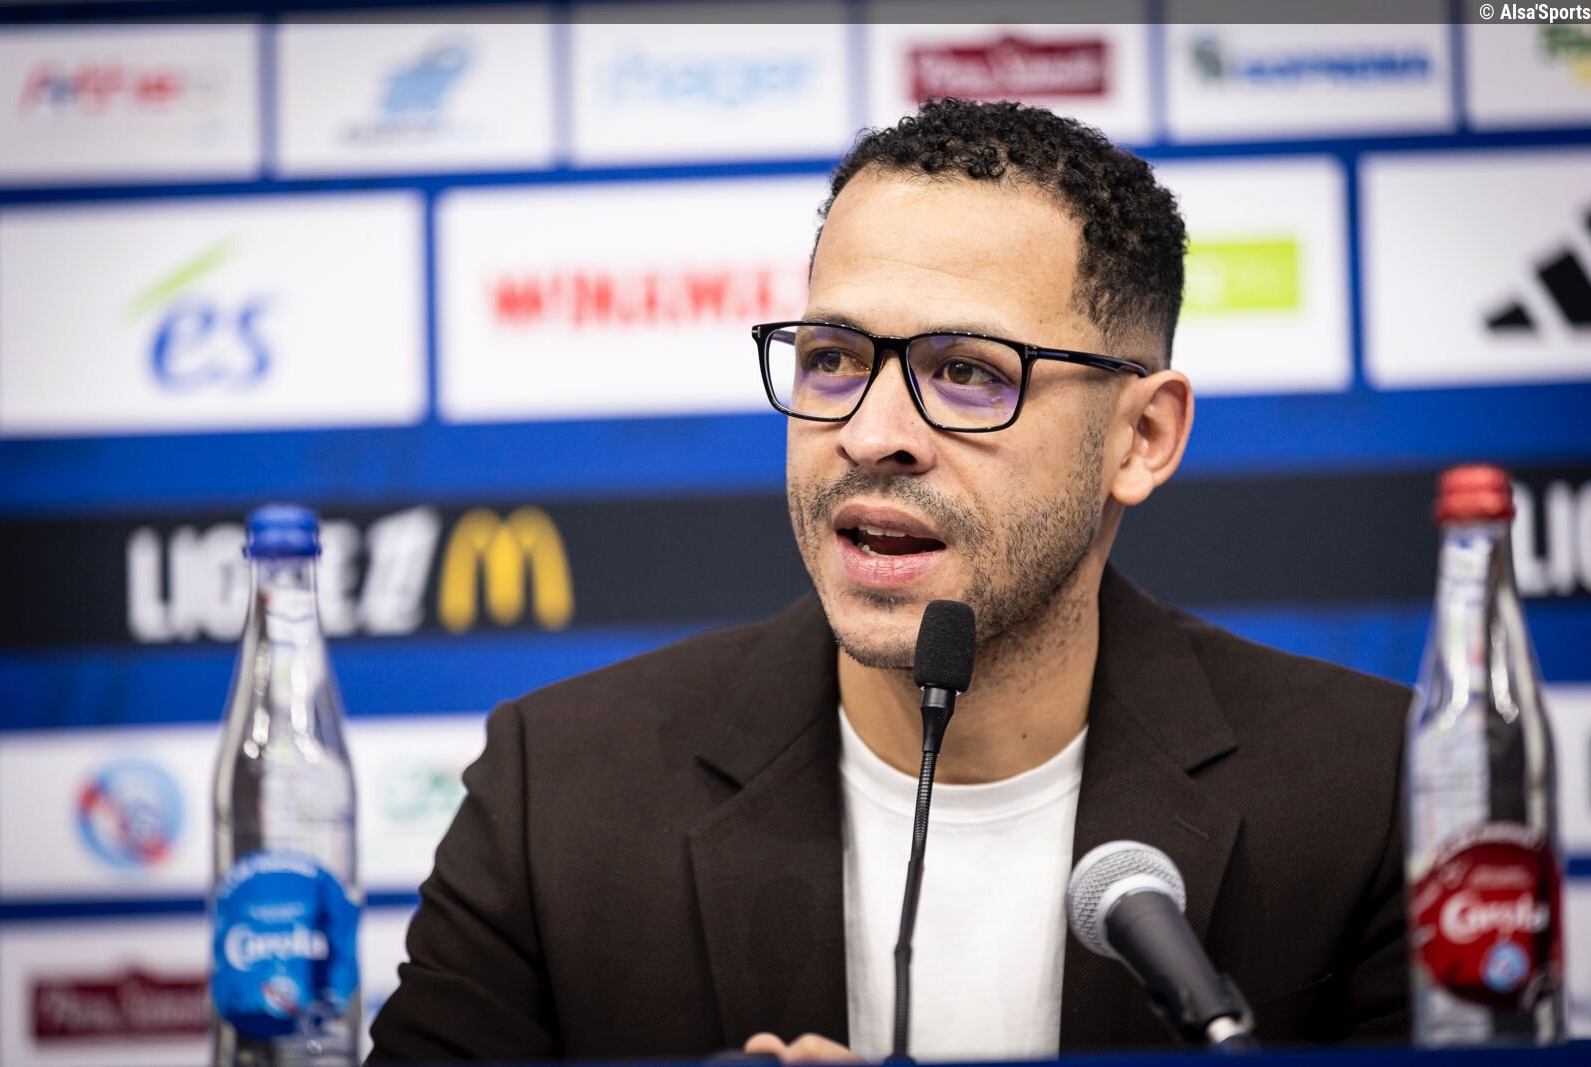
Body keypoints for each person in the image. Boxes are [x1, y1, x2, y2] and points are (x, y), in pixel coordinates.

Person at [367, 99, 1408, 1063]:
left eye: (967, 371)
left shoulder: (1371, 794)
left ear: (1141, 436)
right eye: (833, 357)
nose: (870, 435)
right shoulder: (559, 791)